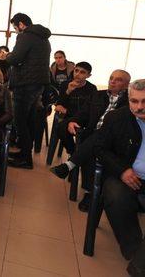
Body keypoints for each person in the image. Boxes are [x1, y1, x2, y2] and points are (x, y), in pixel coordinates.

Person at [49, 70, 130, 211]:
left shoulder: (131, 101)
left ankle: (70, 166)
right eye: (111, 78)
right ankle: (89, 191)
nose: (112, 81)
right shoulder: (98, 95)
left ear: (127, 84)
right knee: (92, 145)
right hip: (93, 136)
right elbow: (83, 114)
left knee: (95, 142)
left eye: (118, 80)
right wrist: (73, 121)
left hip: (115, 141)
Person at [94, 79, 145, 276]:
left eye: (144, 101)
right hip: (123, 176)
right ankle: (136, 253)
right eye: (134, 101)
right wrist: (122, 170)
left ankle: (139, 264)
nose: (139, 107)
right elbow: (100, 148)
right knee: (116, 196)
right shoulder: (117, 118)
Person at [5, 13, 51, 169]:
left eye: (15, 27)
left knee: (20, 121)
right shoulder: (43, 38)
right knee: (29, 120)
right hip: (38, 84)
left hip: (25, 84)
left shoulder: (25, 37)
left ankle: (25, 159)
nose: (15, 31)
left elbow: (15, 59)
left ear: (21, 24)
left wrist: (8, 55)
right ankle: (25, 152)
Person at [54, 61, 97, 154]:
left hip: (83, 118)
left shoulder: (92, 88)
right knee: (61, 128)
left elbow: (90, 108)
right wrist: (68, 91)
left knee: (90, 132)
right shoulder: (65, 84)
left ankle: (79, 154)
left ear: (88, 75)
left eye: (82, 72)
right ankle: (74, 154)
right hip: (68, 116)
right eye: (76, 70)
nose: (77, 74)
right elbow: (60, 103)